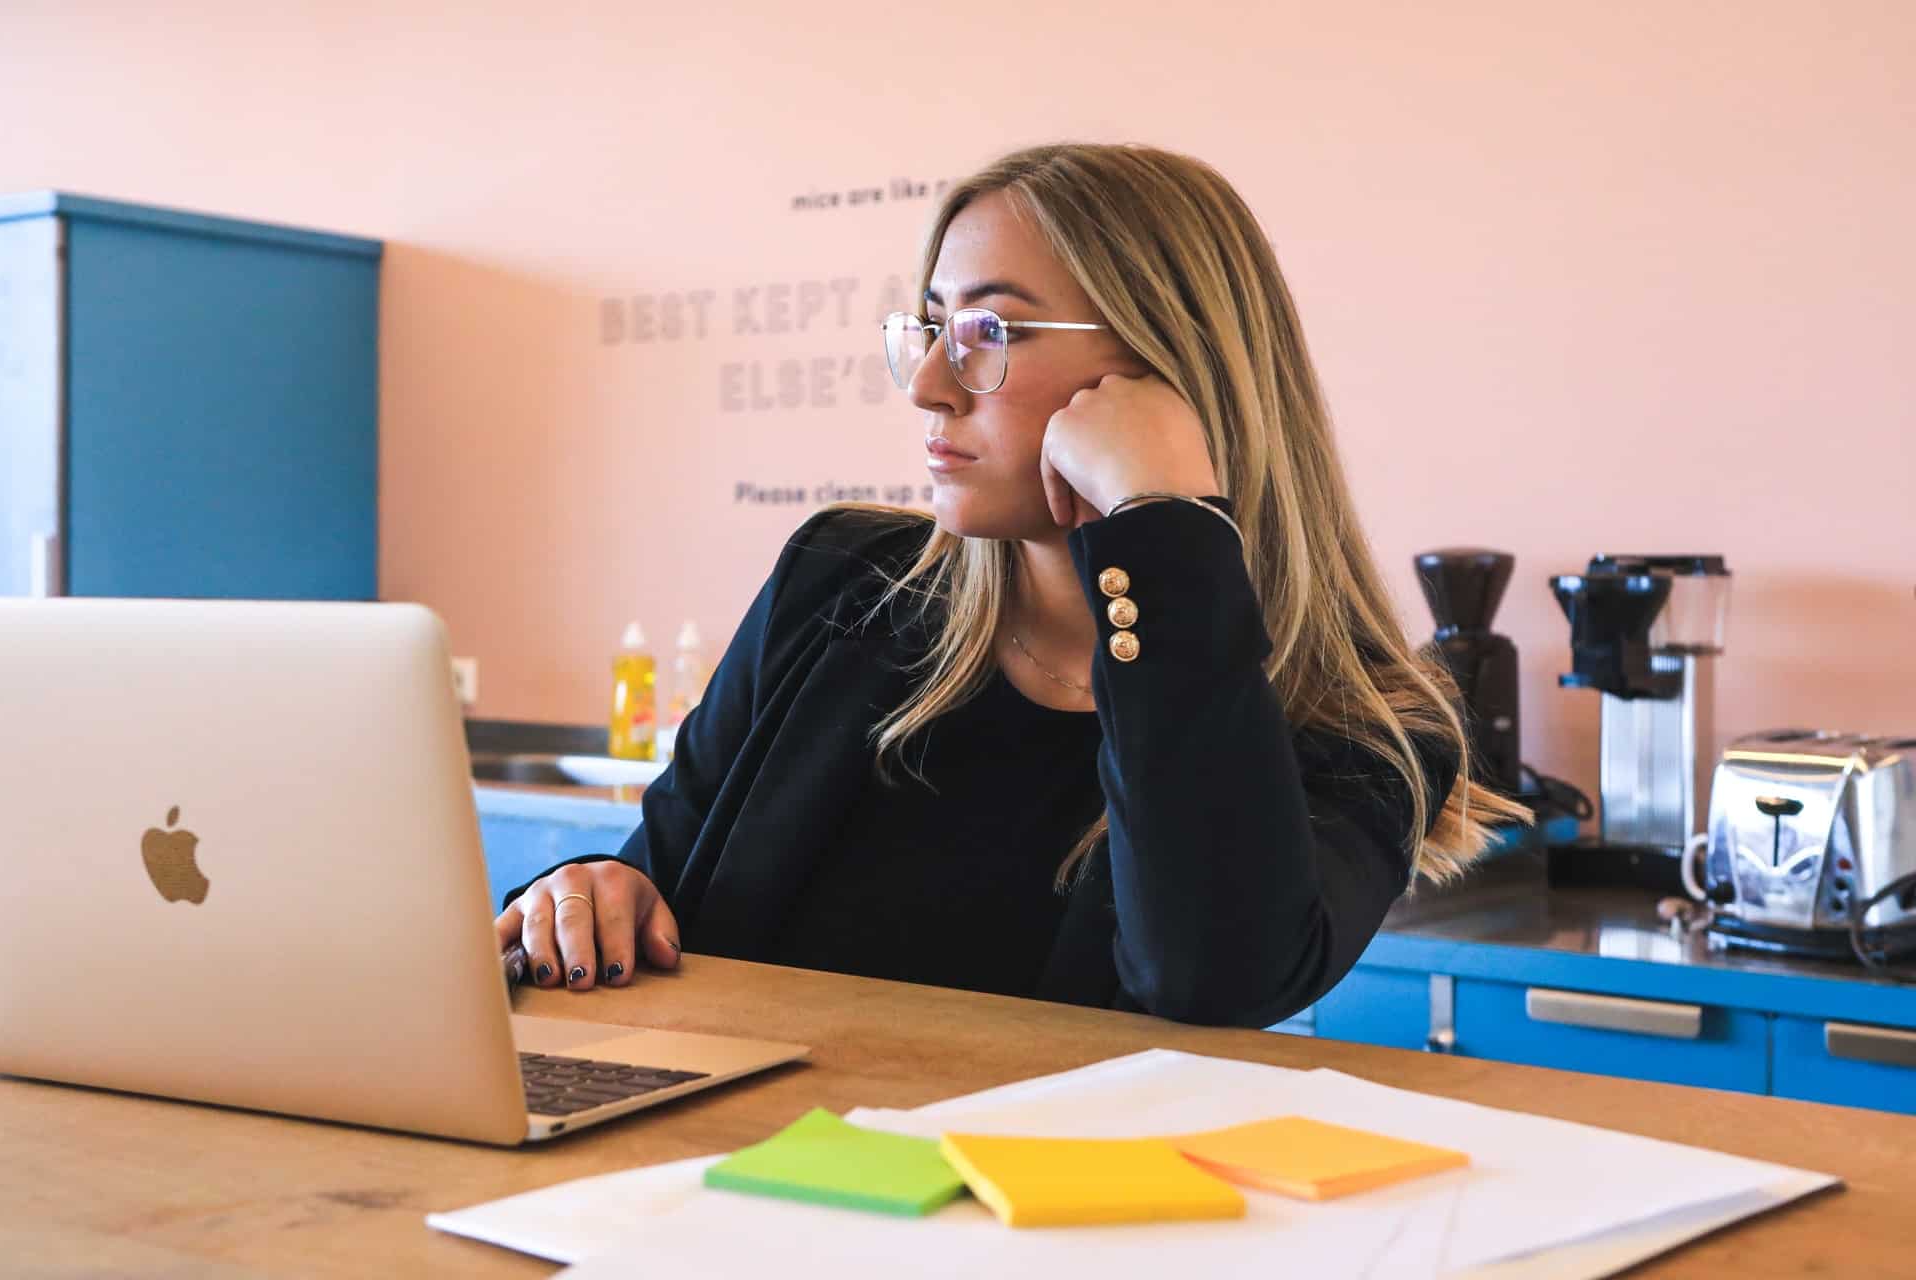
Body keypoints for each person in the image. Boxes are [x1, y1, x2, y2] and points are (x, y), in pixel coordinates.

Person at [494, 142, 1528, 1027]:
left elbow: (1215, 981)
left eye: (991, 331)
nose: (932, 384)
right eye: (931, 325)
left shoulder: (1366, 725)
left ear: (1168, 368)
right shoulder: (839, 583)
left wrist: (1164, 525)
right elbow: (657, 881)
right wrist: (596, 890)